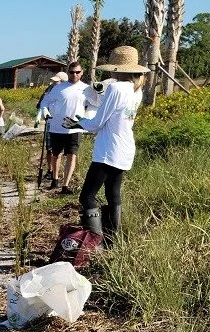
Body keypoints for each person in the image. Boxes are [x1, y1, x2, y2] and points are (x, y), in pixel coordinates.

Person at [63, 46, 147, 244]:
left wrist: (78, 122)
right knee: (112, 193)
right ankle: (112, 243)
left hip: (109, 149)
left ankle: (95, 242)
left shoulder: (117, 88)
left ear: (117, 69)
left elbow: (97, 123)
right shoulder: (137, 89)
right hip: (125, 148)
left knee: (87, 196)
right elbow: (110, 111)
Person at [43, 61, 99, 194]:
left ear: (82, 73)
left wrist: (98, 92)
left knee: (72, 155)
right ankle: (55, 179)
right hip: (57, 127)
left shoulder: (86, 89)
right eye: (72, 72)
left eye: (77, 72)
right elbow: (45, 101)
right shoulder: (57, 88)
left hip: (75, 127)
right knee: (56, 154)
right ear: (67, 72)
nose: (74, 74)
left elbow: (97, 103)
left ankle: (65, 185)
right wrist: (44, 111)